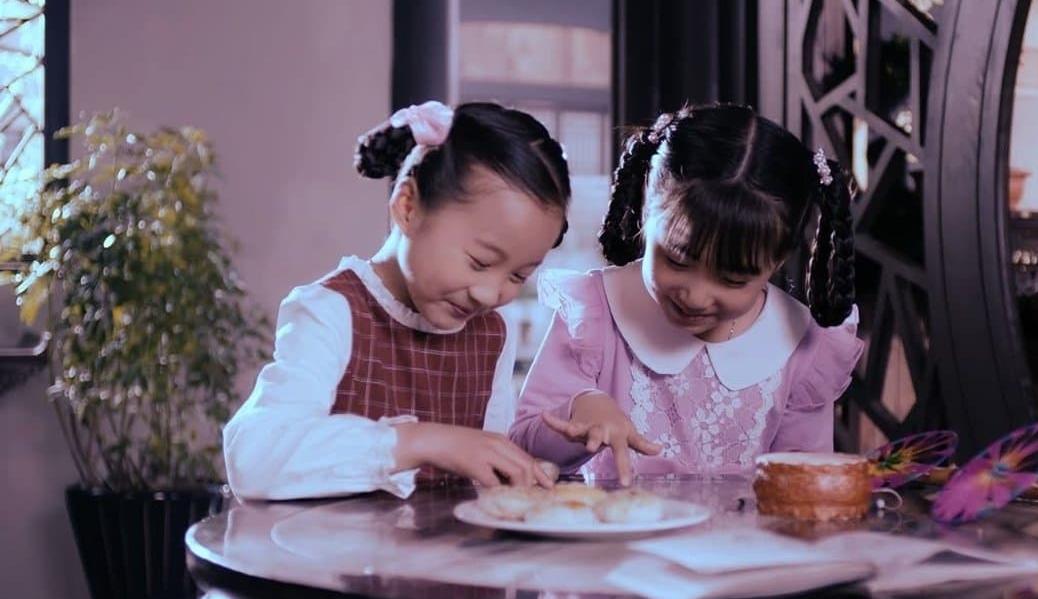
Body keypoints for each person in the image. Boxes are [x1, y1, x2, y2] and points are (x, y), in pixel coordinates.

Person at [225, 101, 571, 501]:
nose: (490, 294)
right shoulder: (333, 311)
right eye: (480, 262)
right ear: (408, 207)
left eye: (517, 276)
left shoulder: (492, 333)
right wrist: (420, 441)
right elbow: (253, 461)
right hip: (328, 543)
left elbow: (487, 473)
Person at [510, 103, 863, 485]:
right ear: (648, 205)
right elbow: (523, 445)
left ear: (778, 260)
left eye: (732, 280)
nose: (695, 296)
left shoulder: (800, 345)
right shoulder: (596, 311)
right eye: (677, 260)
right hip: (611, 524)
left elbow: (804, 484)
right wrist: (579, 410)